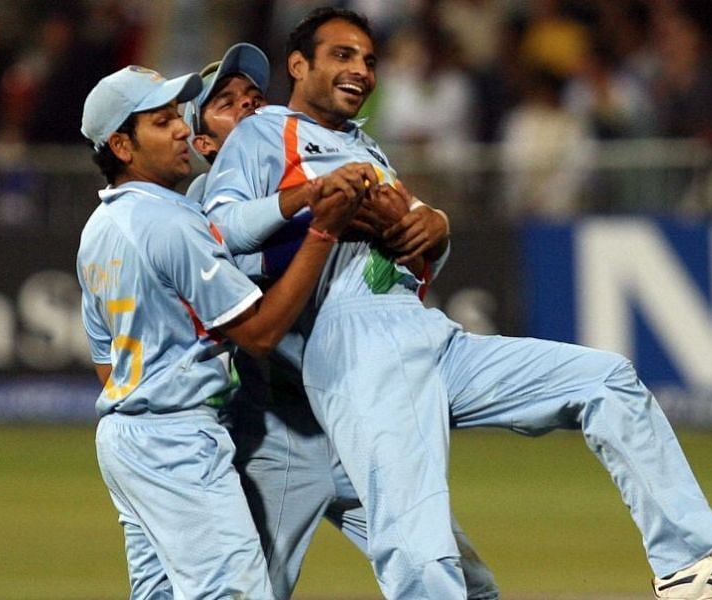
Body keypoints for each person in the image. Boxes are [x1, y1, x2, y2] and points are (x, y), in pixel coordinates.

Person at [202, 8, 712, 600]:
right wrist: (312, 196)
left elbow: (407, 258)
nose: (361, 70)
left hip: (424, 330)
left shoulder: (365, 147)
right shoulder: (265, 132)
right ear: (299, 66)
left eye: (370, 60)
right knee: (417, 542)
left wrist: (435, 232)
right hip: (354, 343)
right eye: (342, 56)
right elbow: (219, 227)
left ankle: (686, 562)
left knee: (606, 380)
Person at [186, 42, 499, 600]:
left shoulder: (312, 176)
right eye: (227, 104)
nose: (250, 109)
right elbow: (252, 314)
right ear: (204, 142)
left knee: (463, 584)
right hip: (279, 433)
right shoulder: (203, 212)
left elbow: (405, 245)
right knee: (247, 590)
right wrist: (326, 218)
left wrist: (432, 223)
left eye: (255, 97)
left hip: (359, 417)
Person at [76, 64, 364, 598]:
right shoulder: (171, 222)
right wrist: (323, 231)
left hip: (126, 438)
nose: (182, 129)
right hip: (177, 438)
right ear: (121, 145)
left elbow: (104, 362)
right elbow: (257, 334)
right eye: (162, 123)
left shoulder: (99, 229)